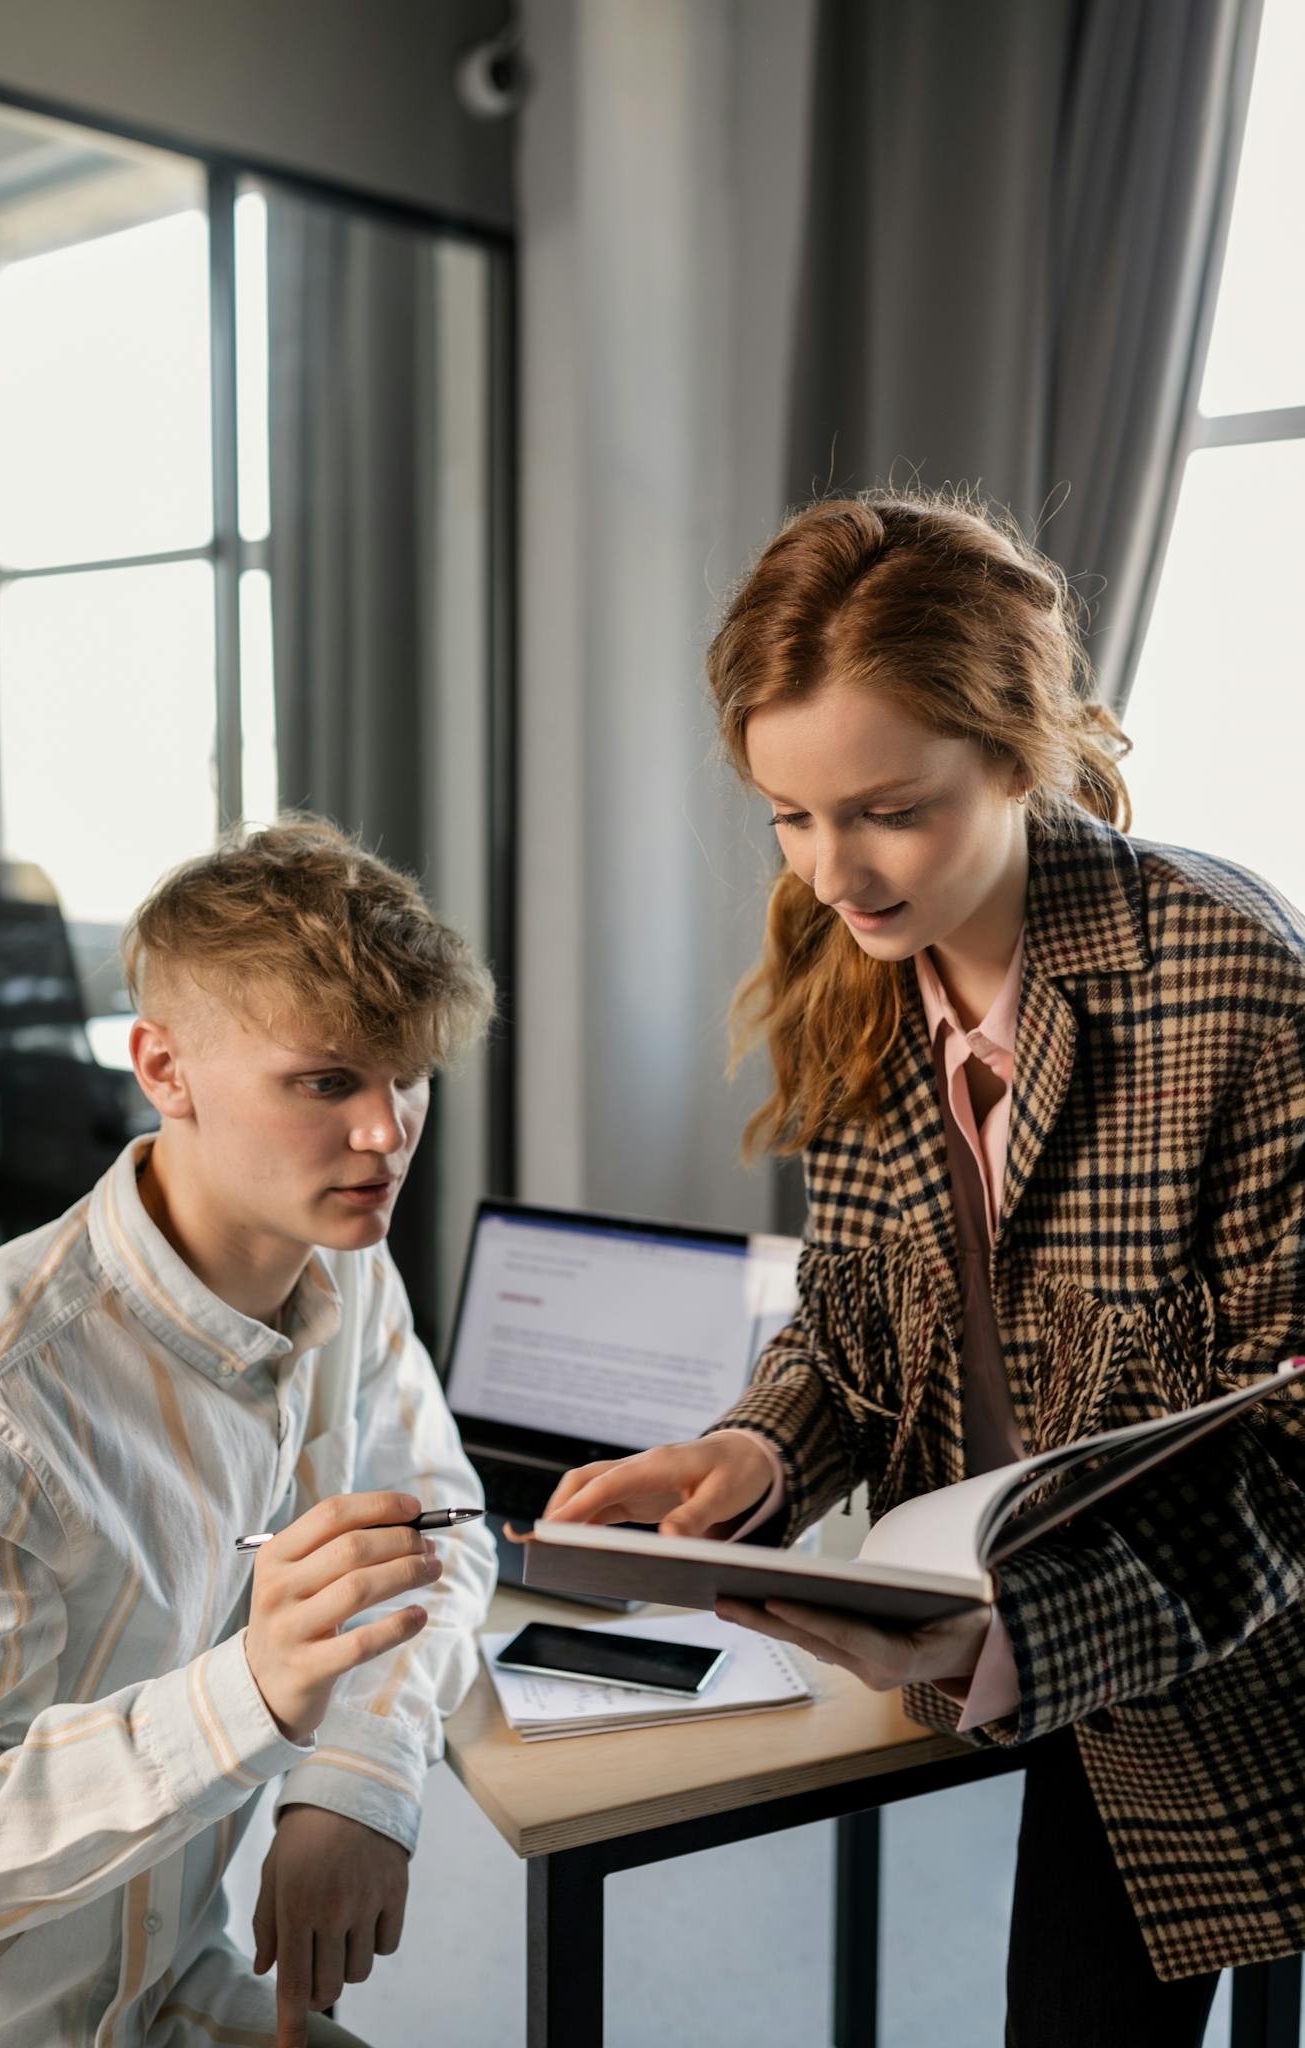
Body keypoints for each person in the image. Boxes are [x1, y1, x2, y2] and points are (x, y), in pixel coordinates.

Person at [544, 490, 1305, 2046]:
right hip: (976, 1612)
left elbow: (1292, 1460)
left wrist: (1016, 1637)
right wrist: (747, 1451)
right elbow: (850, 1329)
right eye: (790, 813)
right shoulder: (860, 964)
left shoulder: (1234, 984)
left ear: (1018, 753)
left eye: (889, 809)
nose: (834, 869)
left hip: (1220, 1665)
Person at [0, 817, 499, 2048]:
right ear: (165, 1067)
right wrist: (251, 1692)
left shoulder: (344, 1268)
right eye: (327, 1080)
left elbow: (444, 1527)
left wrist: (358, 1772)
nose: (388, 1133)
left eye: (406, 1074)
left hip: (164, 1989)